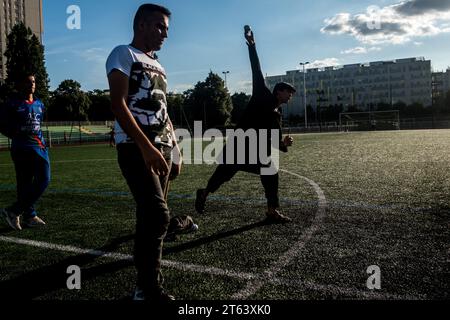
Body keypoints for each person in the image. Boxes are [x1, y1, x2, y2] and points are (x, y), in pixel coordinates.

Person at [106, 3, 181, 301]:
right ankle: (150, 288)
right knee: (158, 215)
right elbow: (118, 103)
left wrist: (174, 148)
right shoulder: (123, 53)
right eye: (159, 27)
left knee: (149, 218)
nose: (164, 34)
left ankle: (143, 286)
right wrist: (146, 147)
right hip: (136, 146)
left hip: (161, 146)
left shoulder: (160, 64)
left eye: (166, 29)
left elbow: (164, 110)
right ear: (141, 25)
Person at [195, 26, 296, 223]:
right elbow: (256, 70)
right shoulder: (262, 94)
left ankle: (271, 211)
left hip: (256, 150)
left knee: (270, 171)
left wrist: (284, 143)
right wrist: (252, 45)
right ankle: (204, 193)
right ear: (278, 92)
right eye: (288, 92)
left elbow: (275, 141)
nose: (291, 95)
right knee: (223, 175)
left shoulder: (278, 112)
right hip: (239, 145)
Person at [0, 74, 50, 230]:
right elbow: (2, 125)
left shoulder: (40, 104)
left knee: (44, 179)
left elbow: (38, 125)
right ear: (20, 85)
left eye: (33, 81)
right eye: (28, 82)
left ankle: (14, 210)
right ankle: (30, 216)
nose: (32, 84)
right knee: (24, 184)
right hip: (21, 148)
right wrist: (16, 134)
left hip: (38, 147)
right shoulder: (12, 104)